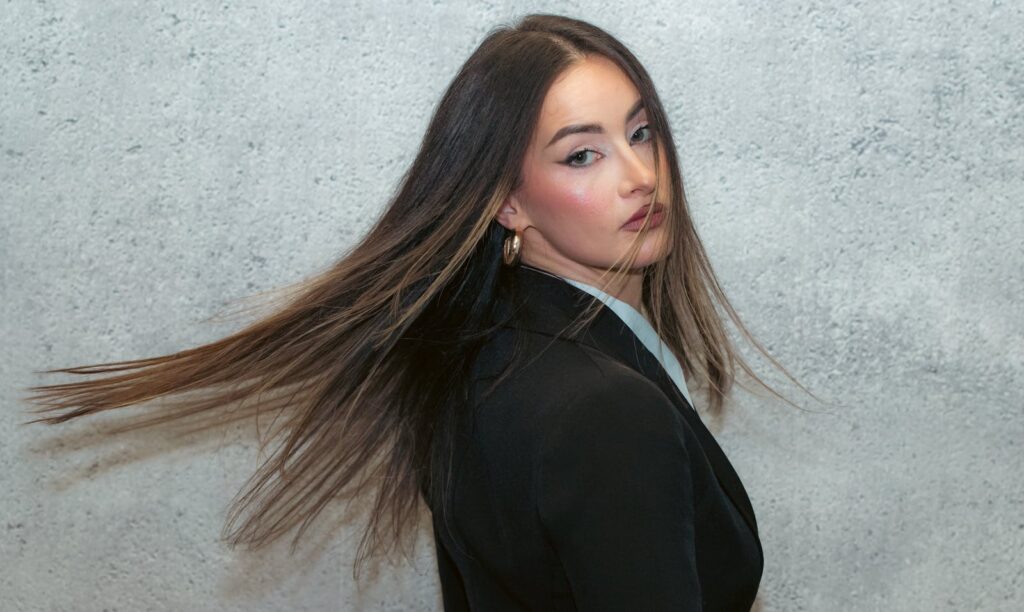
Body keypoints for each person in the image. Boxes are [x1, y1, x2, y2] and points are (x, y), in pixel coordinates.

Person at [23, 13, 812, 611]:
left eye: (643, 132)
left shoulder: (479, 362)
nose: (641, 174)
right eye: (583, 154)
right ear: (507, 202)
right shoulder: (605, 411)